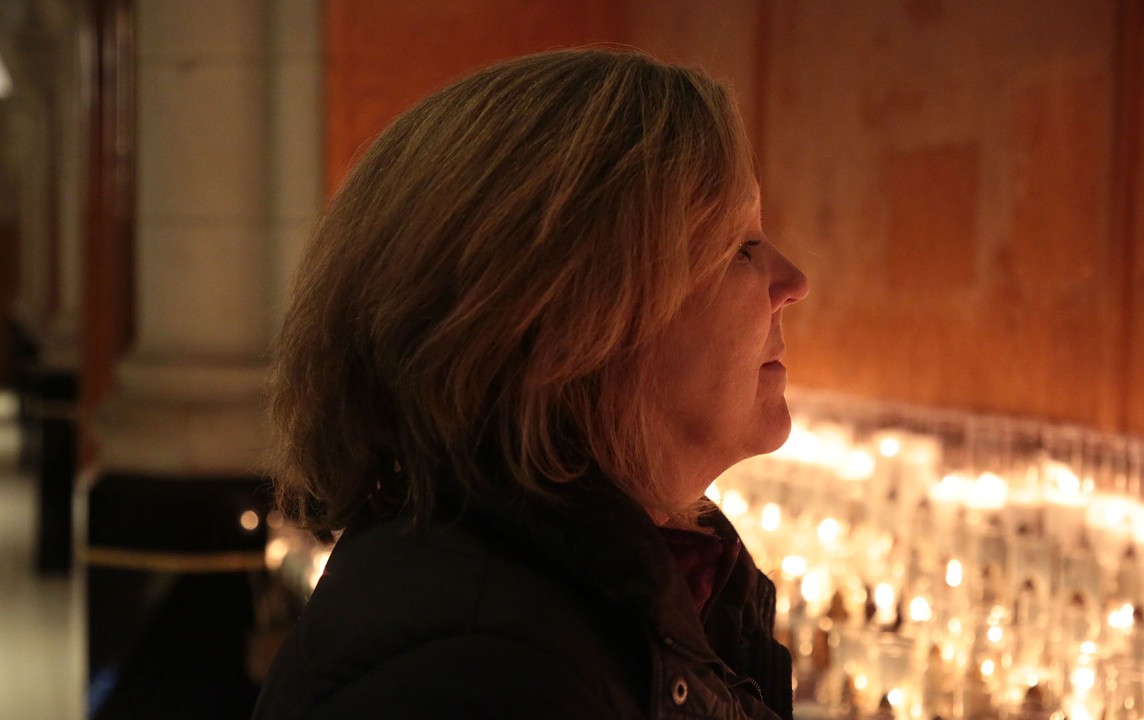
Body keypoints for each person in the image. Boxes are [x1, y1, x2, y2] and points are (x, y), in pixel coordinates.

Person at [254, 47, 809, 719]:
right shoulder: (483, 674)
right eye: (738, 248)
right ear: (578, 316)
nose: (792, 283)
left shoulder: (625, 589)